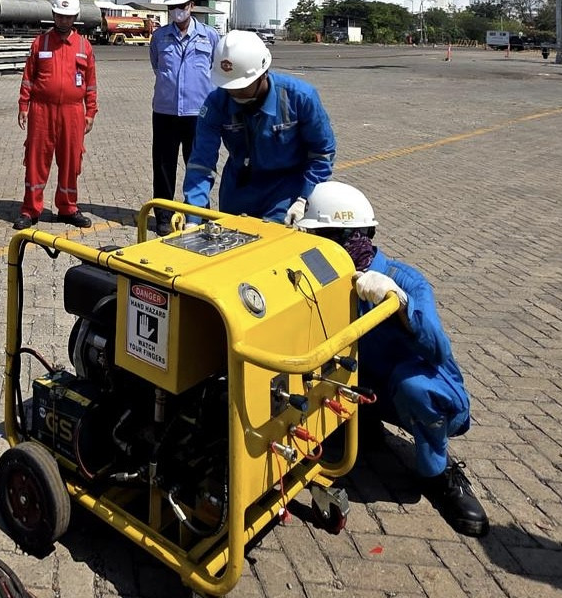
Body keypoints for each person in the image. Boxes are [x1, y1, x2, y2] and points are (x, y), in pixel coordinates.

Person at [297, 181, 489, 537]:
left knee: (414, 387)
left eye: (322, 239)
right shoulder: (328, 284)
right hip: (367, 388)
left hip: (430, 395)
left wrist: (399, 305)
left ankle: (438, 473)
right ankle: (361, 425)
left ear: (354, 237)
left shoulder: (403, 281)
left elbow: (437, 349)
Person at [183, 29, 335, 224]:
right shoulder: (216, 103)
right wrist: (193, 218)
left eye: (241, 86)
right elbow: (201, 162)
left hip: (287, 192)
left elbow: (322, 153)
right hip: (238, 190)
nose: (234, 92)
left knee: (272, 249)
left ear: (262, 74)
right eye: (228, 86)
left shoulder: (299, 98)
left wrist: (304, 197)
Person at [13, 0, 98, 230]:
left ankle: (68, 207)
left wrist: (90, 112)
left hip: (73, 113)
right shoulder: (40, 43)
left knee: (71, 161)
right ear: (53, 14)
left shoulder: (84, 46)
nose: (63, 20)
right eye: (60, 16)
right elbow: (28, 77)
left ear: (75, 17)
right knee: (36, 160)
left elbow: (91, 83)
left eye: (68, 16)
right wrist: (23, 105)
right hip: (41, 111)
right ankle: (30, 210)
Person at [148, 0, 218, 236]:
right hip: (165, 112)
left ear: (191, 5)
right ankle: (163, 217)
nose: (176, 10)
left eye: (181, 5)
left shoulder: (210, 36)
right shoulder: (159, 37)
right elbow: (157, 67)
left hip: (198, 113)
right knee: (164, 166)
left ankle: (198, 214)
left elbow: (214, 69)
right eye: (172, 6)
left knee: (197, 165)